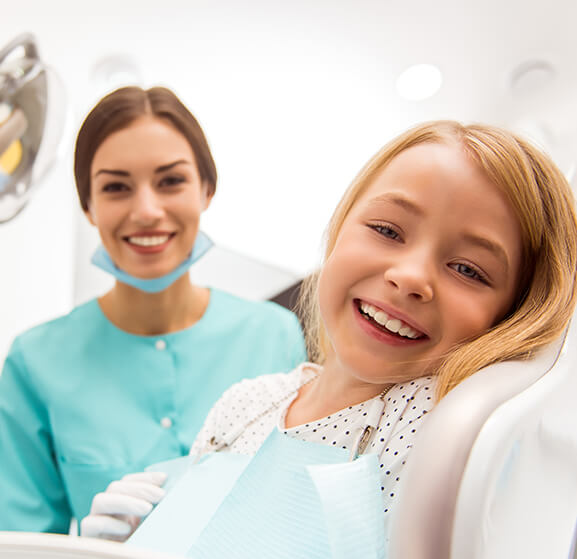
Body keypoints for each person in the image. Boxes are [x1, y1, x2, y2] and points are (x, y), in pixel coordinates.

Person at [81, 120, 577, 552]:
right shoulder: (243, 404)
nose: (409, 277)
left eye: (468, 269)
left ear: (513, 315)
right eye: (387, 230)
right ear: (340, 229)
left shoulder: (437, 428)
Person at [0, 86, 306, 534]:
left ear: (206, 189)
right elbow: (20, 542)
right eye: (116, 187)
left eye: (170, 181)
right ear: (89, 206)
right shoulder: (36, 362)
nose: (146, 210)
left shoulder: (275, 336)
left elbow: (299, 514)